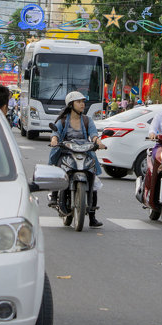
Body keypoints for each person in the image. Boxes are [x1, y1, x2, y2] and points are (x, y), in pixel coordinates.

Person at [48, 90, 106, 227]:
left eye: (83, 102)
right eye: (79, 102)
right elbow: (55, 132)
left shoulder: (87, 120)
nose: (82, 104)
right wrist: (55, 139)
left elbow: (93, 134)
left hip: (84, 152)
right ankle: (55, 196)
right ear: (71, 104)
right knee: (59, 172)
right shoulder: (63, 120)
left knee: (93, 177)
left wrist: (98, 142)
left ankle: (92, 216)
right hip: (67, 151)